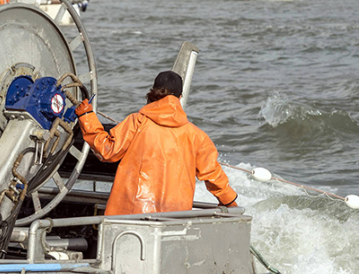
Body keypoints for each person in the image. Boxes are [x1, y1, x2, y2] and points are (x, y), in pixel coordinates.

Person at [74, 71, 238, 216]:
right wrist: (230, 203)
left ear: (152, 93)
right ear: (180, 98)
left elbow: (107, 151)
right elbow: (213, 176)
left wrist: (87, 116)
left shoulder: (136, 122)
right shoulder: (197, 136)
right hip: (175, 217)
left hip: (130, 214)